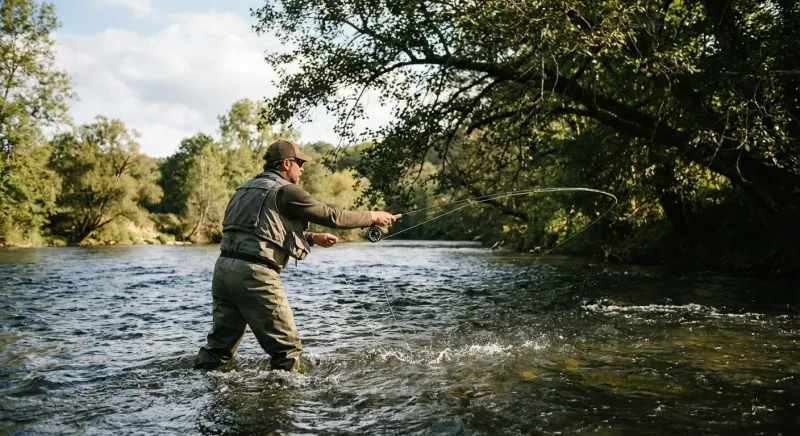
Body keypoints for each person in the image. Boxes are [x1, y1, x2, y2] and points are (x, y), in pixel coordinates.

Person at [194, 139, 401, 372]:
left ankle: (204, 391)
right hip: (255, 275)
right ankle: (282, 402)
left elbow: (259, 229)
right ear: (286, 164)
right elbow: (333, 216)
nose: (302, 169)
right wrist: (373, 216)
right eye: (299, 163)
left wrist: (311, 237)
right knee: (287, 351)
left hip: (223, 271)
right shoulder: (286, 191)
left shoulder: (245, 188)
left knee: (219, 348)